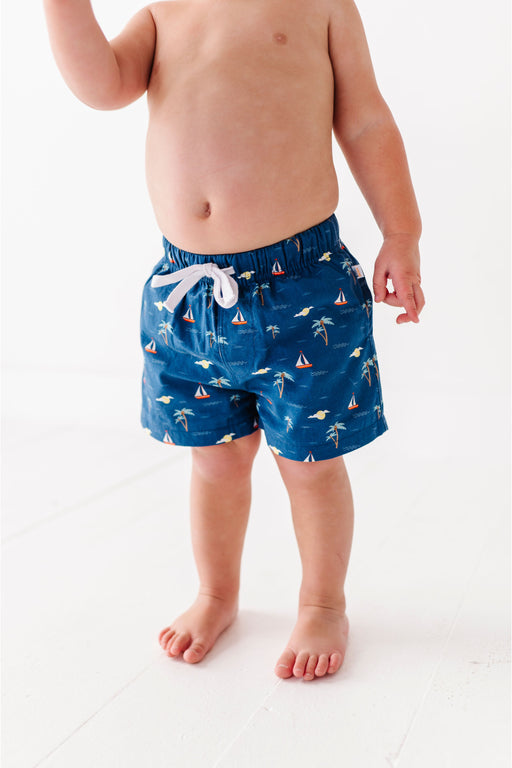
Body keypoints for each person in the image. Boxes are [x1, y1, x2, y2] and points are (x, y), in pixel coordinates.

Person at [43, 0, 424, 681]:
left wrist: (401, 234)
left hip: (301, 293)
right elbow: (101, 86)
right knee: (214, 464)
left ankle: (322, 602)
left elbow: (366, 120)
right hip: (186, 298)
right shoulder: (164, 11)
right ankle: (216, 593)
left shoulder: (320, 6)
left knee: (309, 466)